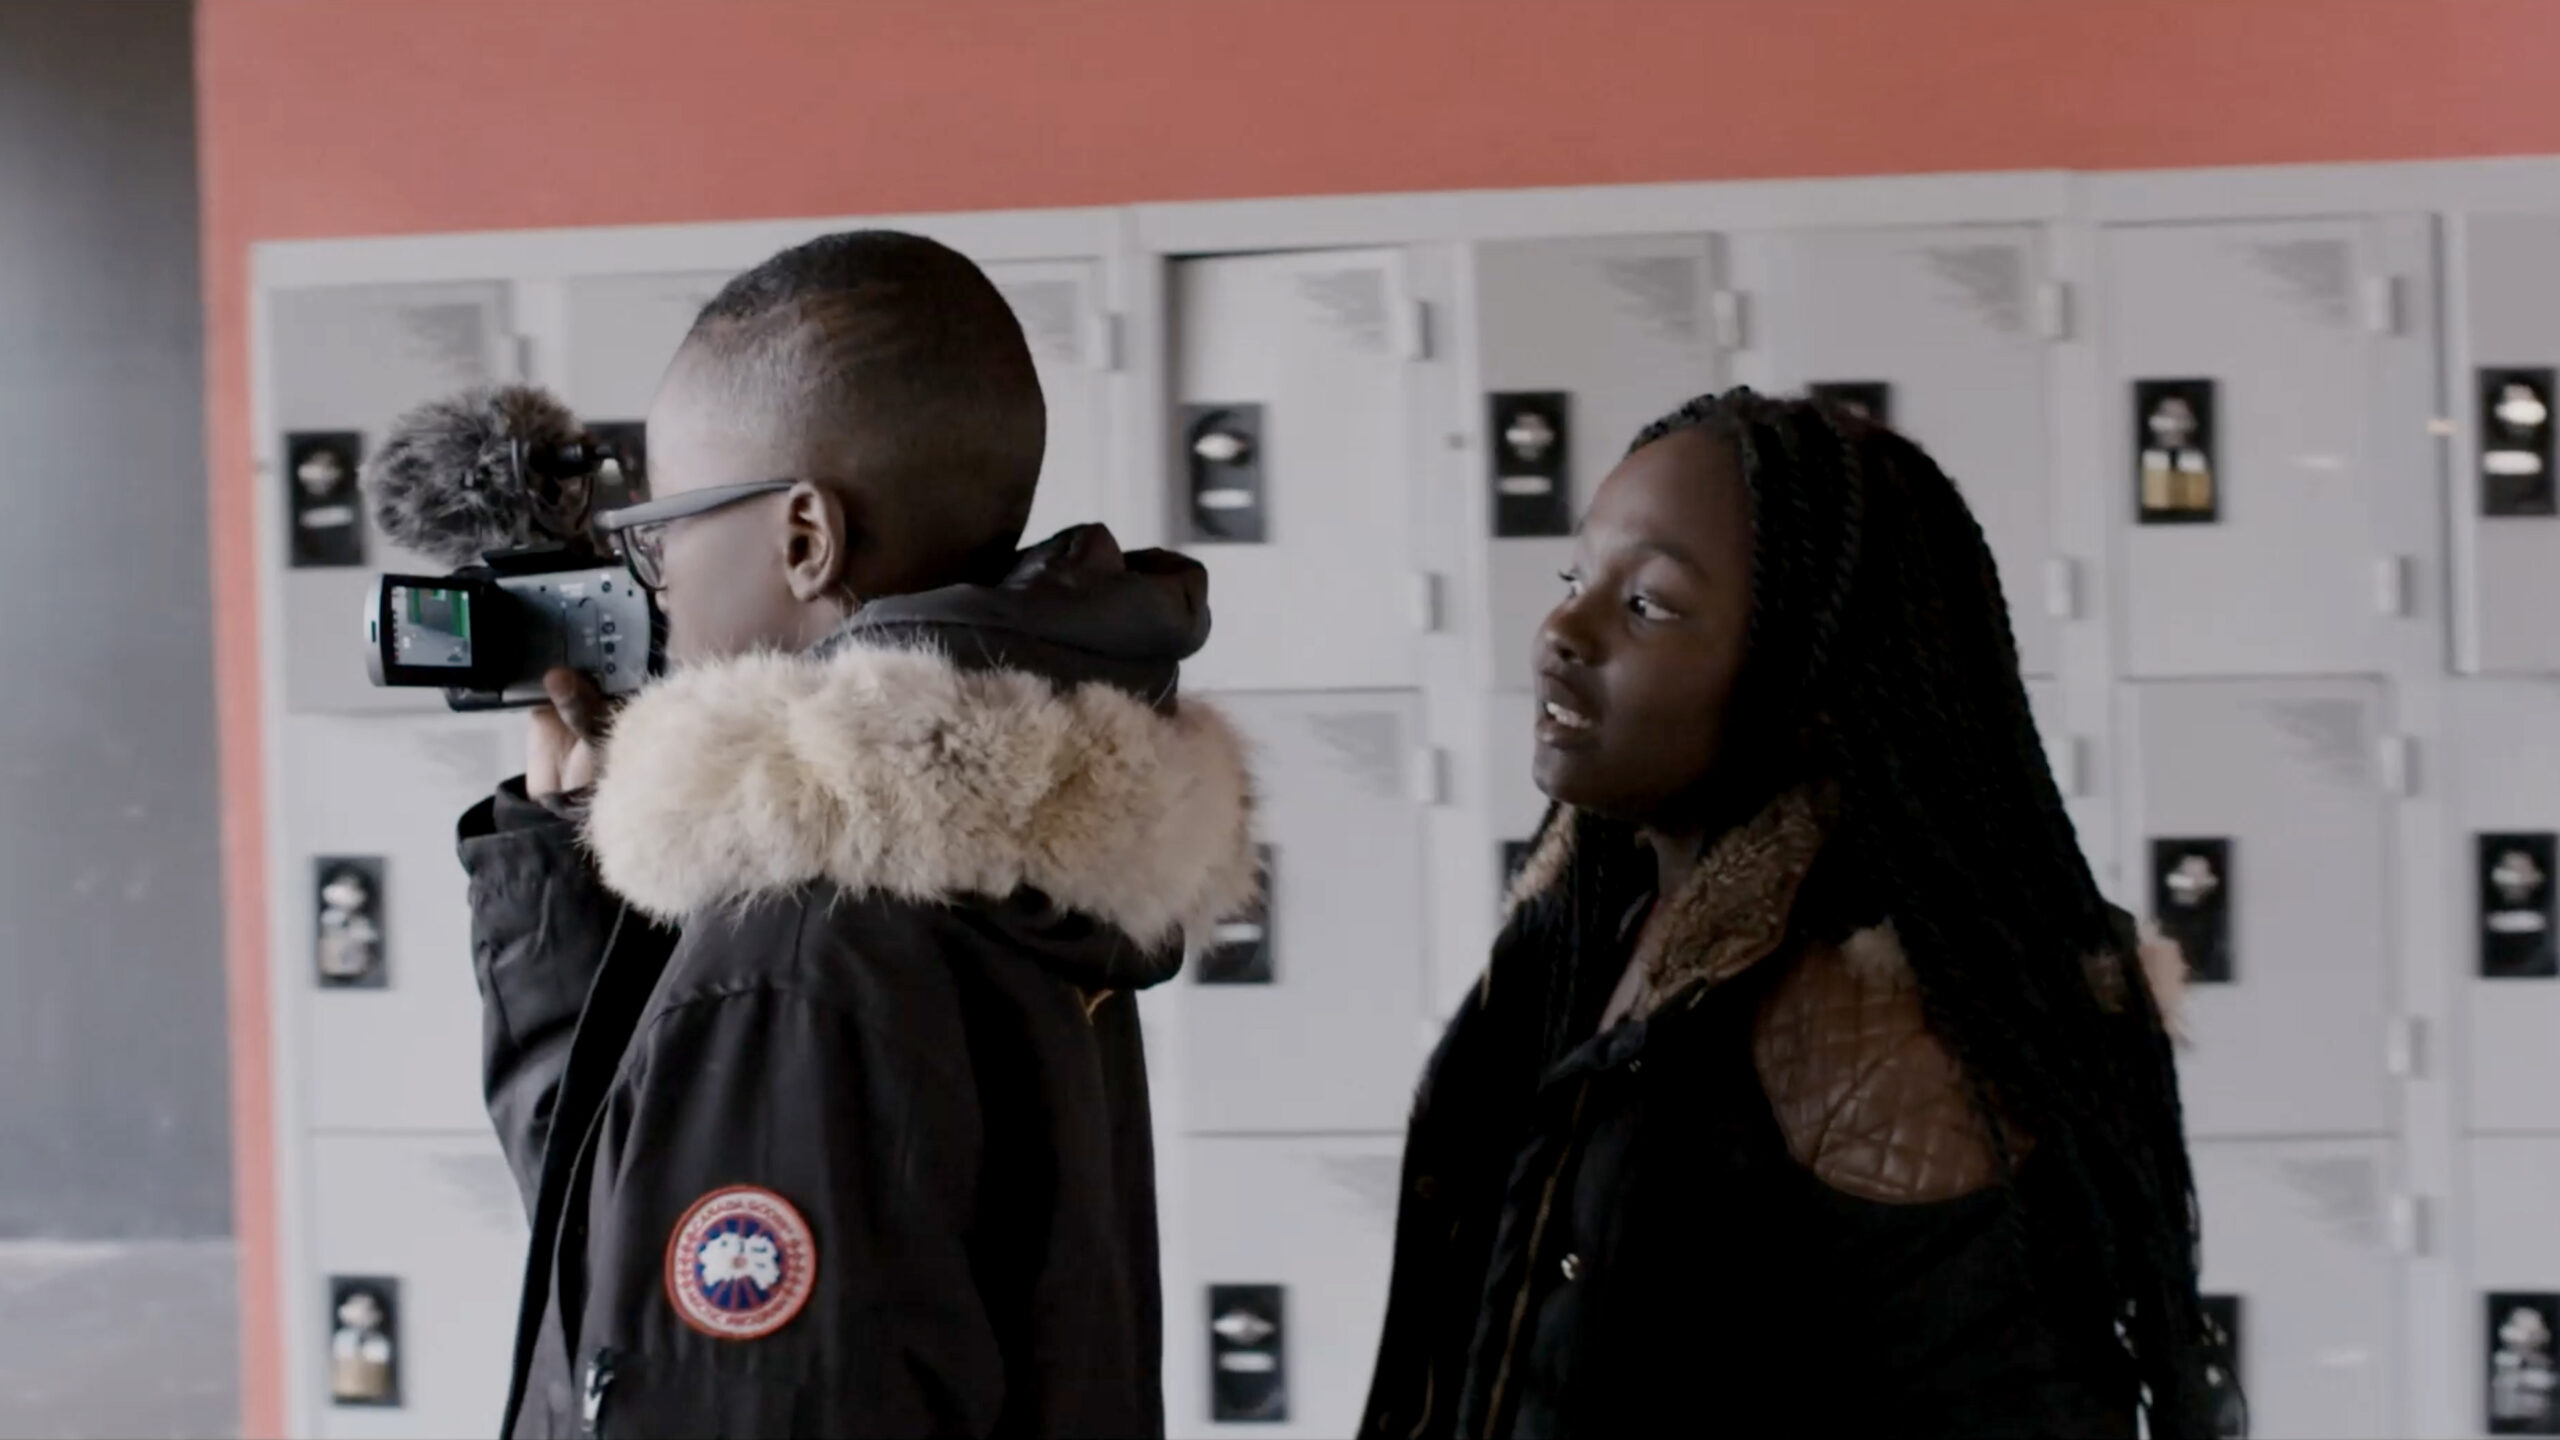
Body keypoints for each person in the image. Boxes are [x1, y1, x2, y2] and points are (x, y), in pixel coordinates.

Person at [456, 230, 1258, 1438]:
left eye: (662, 528)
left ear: (804, 539)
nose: (652, 579)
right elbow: (630, 1290)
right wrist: (563, 894)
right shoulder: (1008, 873)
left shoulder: (794, 955)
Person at [1360, 389, 2229, 1438]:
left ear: (1810, 678)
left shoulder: (1889, 1037)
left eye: (1648, 606)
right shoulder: (1585, 932)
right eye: (1576, 581)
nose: (1562, 632)